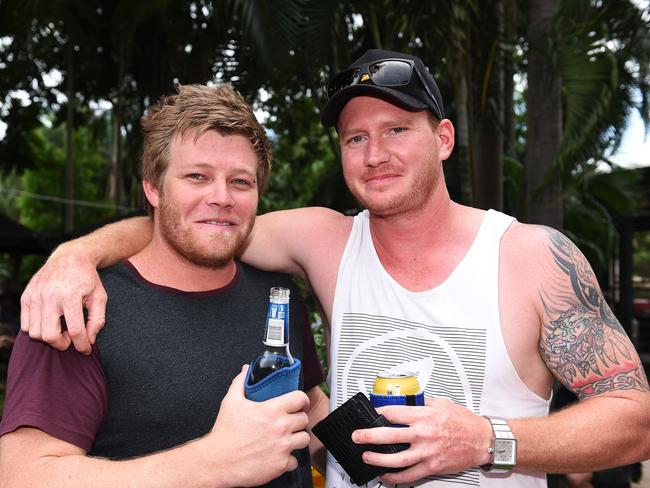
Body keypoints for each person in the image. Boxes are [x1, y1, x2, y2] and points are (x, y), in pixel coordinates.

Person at [18, 49, 650, 487]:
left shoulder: (532, 255)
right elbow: (200, 225)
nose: (375, 154)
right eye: (355, 138)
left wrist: (487, 440)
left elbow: (635, 420)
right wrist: (73, 256)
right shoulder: (323, 241)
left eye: (397, 129)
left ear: (444, 139)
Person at [0, 84, 329, 487]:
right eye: (197, 177)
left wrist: (378, 449)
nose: (221, 197)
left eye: (241, 182)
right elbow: (23, 476)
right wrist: (213, 463)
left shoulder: (277, 294)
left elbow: (307, 401)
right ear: (153, 188)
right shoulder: (79, 308)